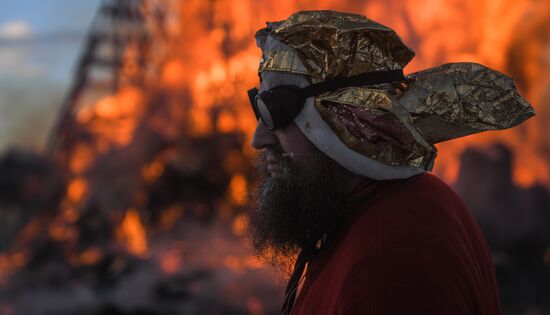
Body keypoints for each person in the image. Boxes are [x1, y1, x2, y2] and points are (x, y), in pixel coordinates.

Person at [246, 10, 535, 315]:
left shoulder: (385, 272)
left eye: (275, 111)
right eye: (258, 105)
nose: (259, 139)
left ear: (344, 120)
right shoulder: (383, 210)